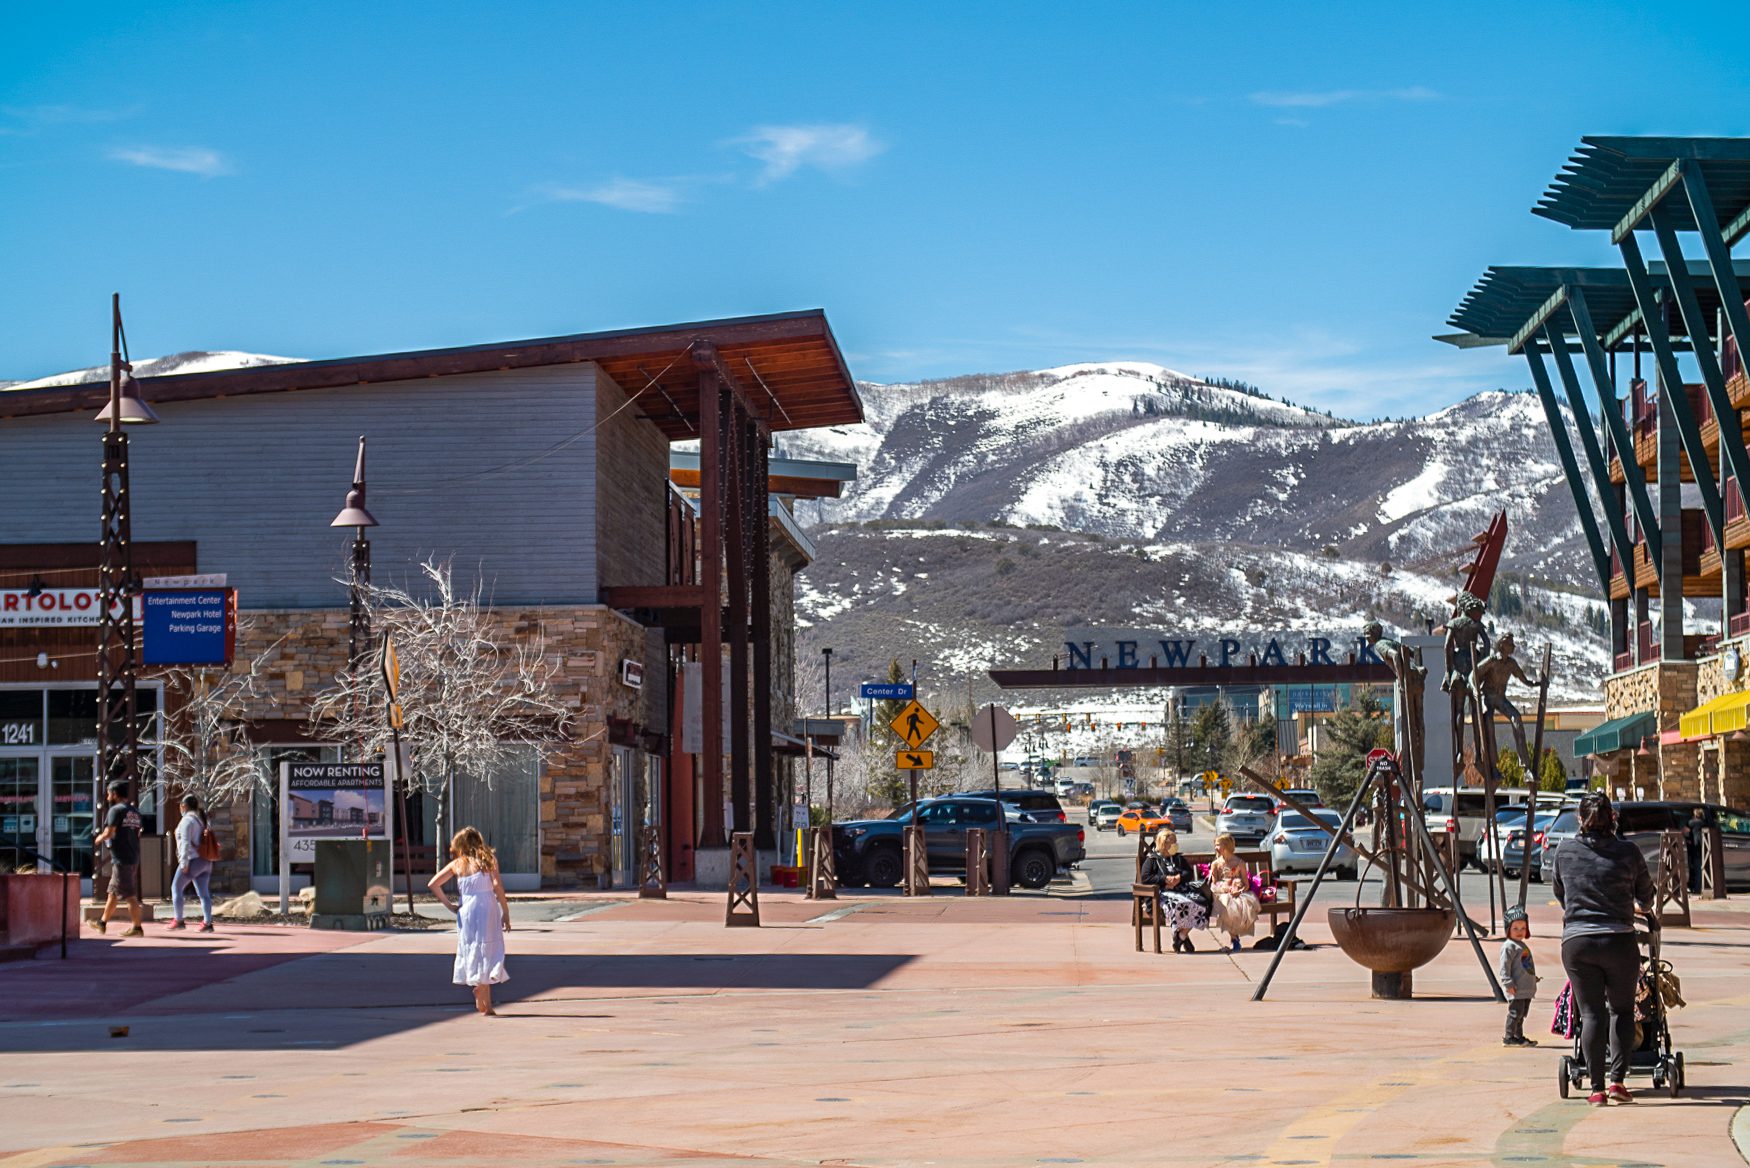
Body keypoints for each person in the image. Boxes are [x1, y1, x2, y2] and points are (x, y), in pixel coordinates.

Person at [1552, 792, 1656, 1106]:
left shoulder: (1565, 851)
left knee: (1591, 1014)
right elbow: (1646, 896)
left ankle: (1595, 1089)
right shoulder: (1629, 852)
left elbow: (1561, 893)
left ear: (1580, 819)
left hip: (1578, 942)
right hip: (1619, 940)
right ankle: (1617, 1082)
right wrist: (1635, 905)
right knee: (1622, 1011)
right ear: (1613, 818)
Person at [429, 826, 511, 1015]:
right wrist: (505, 912)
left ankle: (486, 1002)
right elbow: (498, 887)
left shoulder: (458, 864)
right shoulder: (488, 860)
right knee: (487, 949)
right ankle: (483, 994)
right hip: (487, 907)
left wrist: (450, 906)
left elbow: (433, 884)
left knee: (474, 948)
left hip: (466, 910)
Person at [1139, 827, 1210, 953]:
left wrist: (1179, 877)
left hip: (1182, 890)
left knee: (1201, 903)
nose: (1175, 845)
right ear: (1163, 844)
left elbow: (1188, 873)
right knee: (1180, 905)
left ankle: (1181, 936)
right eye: (1172, 842)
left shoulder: (1177, 858)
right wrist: (1165, 879)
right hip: (1162, 893)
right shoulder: (1152, 859)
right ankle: (1183, 937)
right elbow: (1146, 877)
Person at [91, 780, 144, 937]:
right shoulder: (134, 811)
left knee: (130, 896)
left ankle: (137, 928)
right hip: (132, 856)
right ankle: (102, 923)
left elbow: (109, 832)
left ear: (115, 793)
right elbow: (137, 833)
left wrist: (98, 839)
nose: (107, 796)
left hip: (122, 859)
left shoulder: (115, 810)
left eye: (109, 793)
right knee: (113, 893)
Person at [169, 794, 215, 932]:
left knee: (176, 888)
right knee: (204, 893)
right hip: (206, 861)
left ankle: (179, 920)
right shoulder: (201, 820)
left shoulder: (186, 821)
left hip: (193, 860)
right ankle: (207, 923)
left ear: (184, 806)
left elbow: (185, 843)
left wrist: (184, 863)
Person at [1208, 832, 1259, 951]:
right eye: (1215, 845)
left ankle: (1234, 938)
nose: (1216, 848)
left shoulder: (1239, 863)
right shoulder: (1216, 864)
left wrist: (1239, 890)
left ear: (1227, 846)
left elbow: (1246, 884)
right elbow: (1214, 883)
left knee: (1240, 905)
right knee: (1226, 903)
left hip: (1237, 893)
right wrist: (1224, 888)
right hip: (1221, 893)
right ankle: (1234, 939)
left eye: (1218, 845)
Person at [1498, 905, 1539, 1046]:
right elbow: (1504, 967)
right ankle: (1509, 1037)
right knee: (1515, 1013)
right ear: (1508, 929)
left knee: (1521, 1015)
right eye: (1515, 928)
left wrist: (1533, 978)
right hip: (1516, 989)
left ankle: (1518, 1036)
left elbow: (1525, 966)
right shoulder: (1509, 946)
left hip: (1526, 989)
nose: (1520, 931)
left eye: (1523, 928)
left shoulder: (1521, 945)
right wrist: (1507, 983)